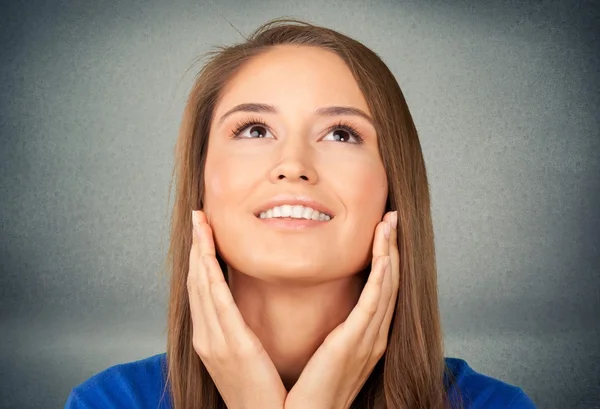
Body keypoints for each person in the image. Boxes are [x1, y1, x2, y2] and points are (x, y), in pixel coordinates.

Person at [64, 18, 537, 409]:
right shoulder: (108, 401)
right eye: (254, 129)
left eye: (341, 134)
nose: (293, 166)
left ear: (393, 187)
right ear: (202, 180)